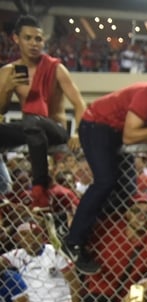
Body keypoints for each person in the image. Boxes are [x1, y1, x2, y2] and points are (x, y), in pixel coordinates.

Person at [61, 71, 147, 274]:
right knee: (105, 181)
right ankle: (73, 241)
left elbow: (133, 132)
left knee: (127, 195)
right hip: (96, 124)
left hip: (114, 133)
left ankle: (89, 234)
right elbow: (129, 136)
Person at [0, 15, 86, 210]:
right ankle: (2, 187)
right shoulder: (8, 72)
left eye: (38, 39)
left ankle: (40, 190)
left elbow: (79, 104)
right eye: (28, 38)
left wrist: (77, 133)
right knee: (29, 124)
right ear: (16, 39)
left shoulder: (56, 69)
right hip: (30, 131)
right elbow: (1, 109)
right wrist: (7, 88)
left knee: (33, 121)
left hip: (55, 130)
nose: (34, 43)